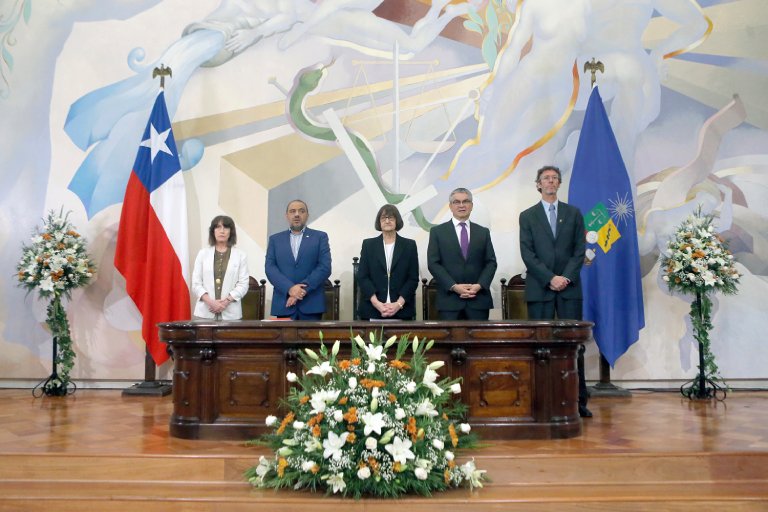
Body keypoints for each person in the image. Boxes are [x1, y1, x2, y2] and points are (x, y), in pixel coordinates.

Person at [518, 165, 591, 417]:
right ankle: (540, 402)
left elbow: (579, 250)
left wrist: (565, 278)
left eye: (554, 178)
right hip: (541, 288)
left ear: (559, 184)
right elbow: (528, 253)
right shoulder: (527, 216)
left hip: (569, 290)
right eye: (546, 178)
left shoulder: (573, 213)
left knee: (574, 346)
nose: (550, 182)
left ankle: (578, 401)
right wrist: (550, 278)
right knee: (540, 347)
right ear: (538, 184)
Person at [427, 188, 497, 320]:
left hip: (478, 300)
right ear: (450, 206)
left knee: (478, 341)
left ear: (471, 206)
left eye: (465, 201)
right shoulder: (437, 232)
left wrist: (479, 285)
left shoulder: (483, 232)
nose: (461, 205)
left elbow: (491, 262)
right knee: (450, 341)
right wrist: (453, 286)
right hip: (449, 302)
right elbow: (433, 263)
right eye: (456, 202)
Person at [265, 199, 331, 320]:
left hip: (311, 304)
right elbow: (270, 268)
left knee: (311, 339)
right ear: (286, 215)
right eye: (292, 211)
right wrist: (290, 288)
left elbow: (324, 267)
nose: (296, 214)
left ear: (307, 215)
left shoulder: (320, 237)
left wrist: (301, 290)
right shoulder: (275, 239)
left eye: (301, 211)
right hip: (284, 304)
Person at [357, 204, 419, 320]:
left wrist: (398, 304)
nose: (387, 221)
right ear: (379, 222)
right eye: (383, 218)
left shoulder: (409, 245)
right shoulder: (368, 245)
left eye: (391, 218)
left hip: (402, 311)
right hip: (372, 310)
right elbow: (363, 277)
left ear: (397, 221)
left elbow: (413, 279)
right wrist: (377, 304)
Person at [191, 215, 250, 320]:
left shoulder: (241, 255)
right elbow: (196, 283)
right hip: (205, 312)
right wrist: (211, 302)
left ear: (231, 232)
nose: (222, 231)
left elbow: (243, 284)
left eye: (226, 227)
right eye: (218, 227)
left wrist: (226, 302)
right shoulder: (203, 254)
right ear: (213, 231)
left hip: (231, 313)